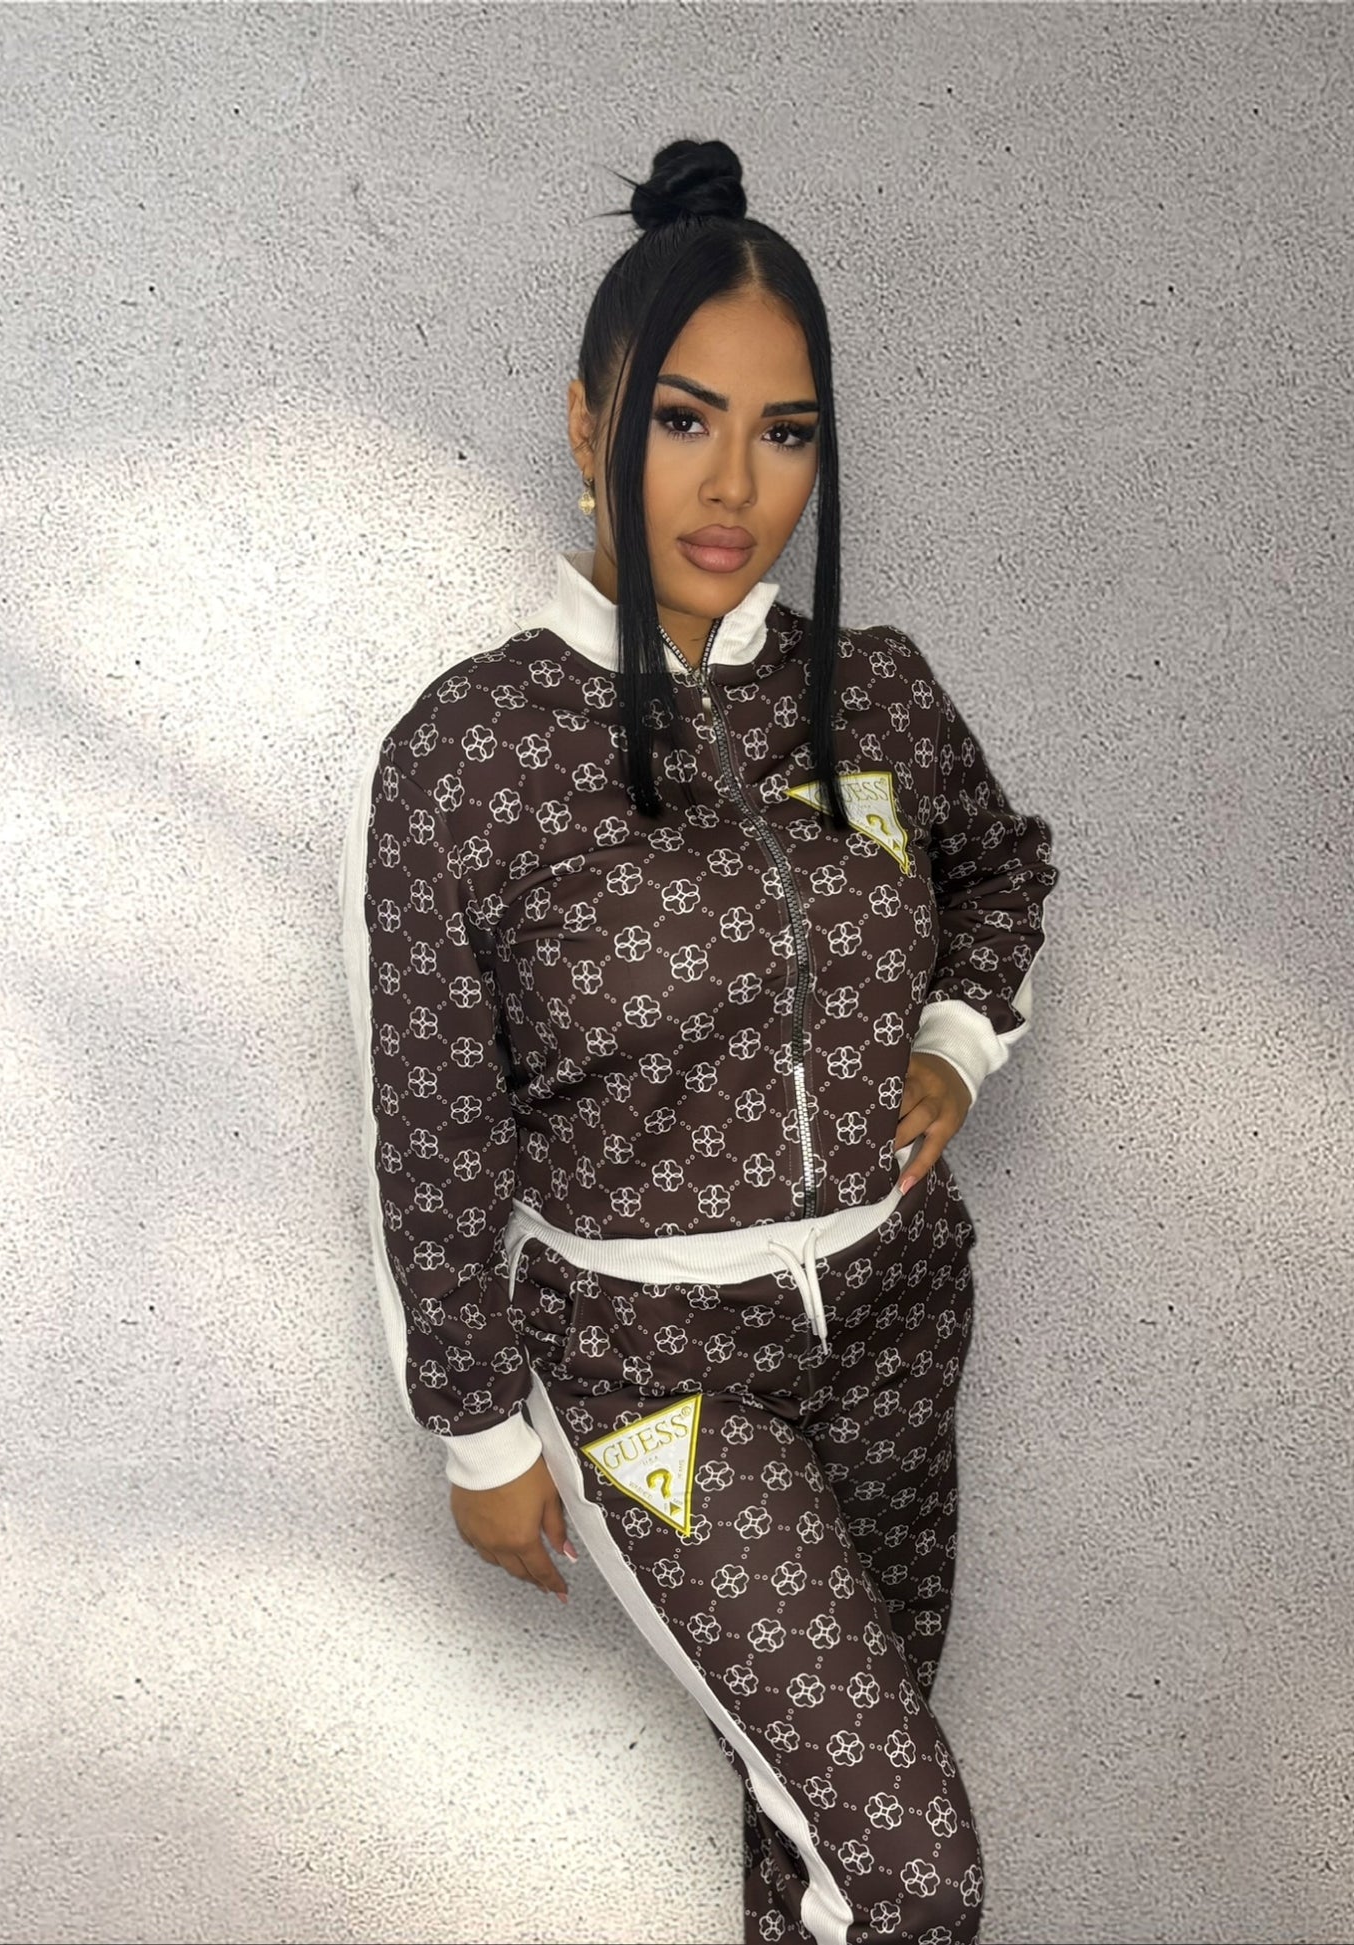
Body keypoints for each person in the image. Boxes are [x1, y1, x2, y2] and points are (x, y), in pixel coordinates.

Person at [338, 136, 1060, 1945]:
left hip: (895, 1323)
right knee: (908, 1868)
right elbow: (430, 1111)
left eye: (783, 432)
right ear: (588, 423)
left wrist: (954, 1043)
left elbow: (998, 868)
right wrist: (476, 1426)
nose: (735, 483)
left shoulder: (870, 691)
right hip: (656, 1371)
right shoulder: (475, 752)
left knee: (806, 1825)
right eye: (681, 420)